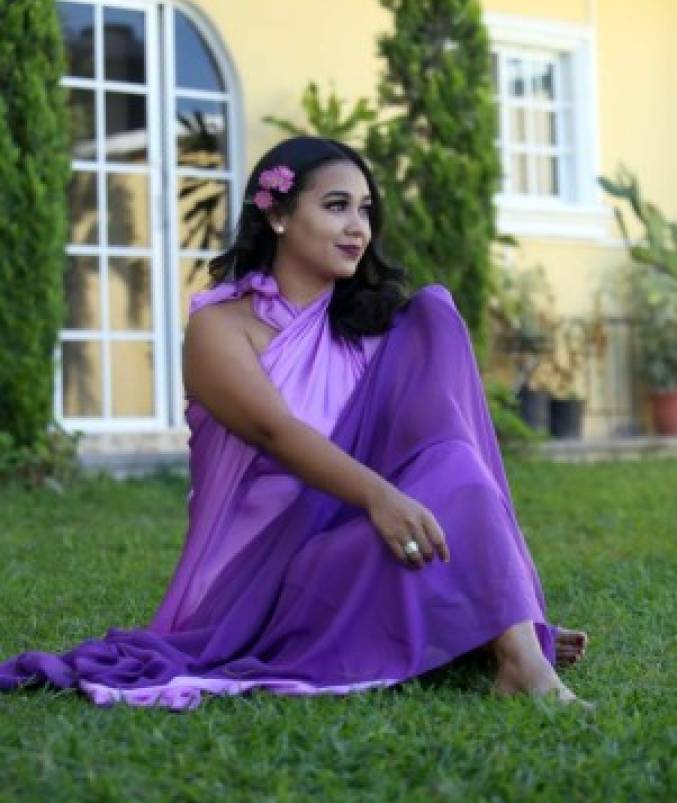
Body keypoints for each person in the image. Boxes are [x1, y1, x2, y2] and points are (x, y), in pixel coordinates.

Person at [0, 135, 590, 711]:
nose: (358, 227)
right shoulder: (221, 328)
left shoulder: (376, 333)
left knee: (450, 417)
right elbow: (274, 432)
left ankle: (512, 641)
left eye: (365, 210)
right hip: (266, 582)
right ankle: (497, 629)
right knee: (438, 485)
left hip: (359, 542)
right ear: (278, 215)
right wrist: (379, 497)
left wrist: (399, 507)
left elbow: (437, 449)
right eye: (336, 206)